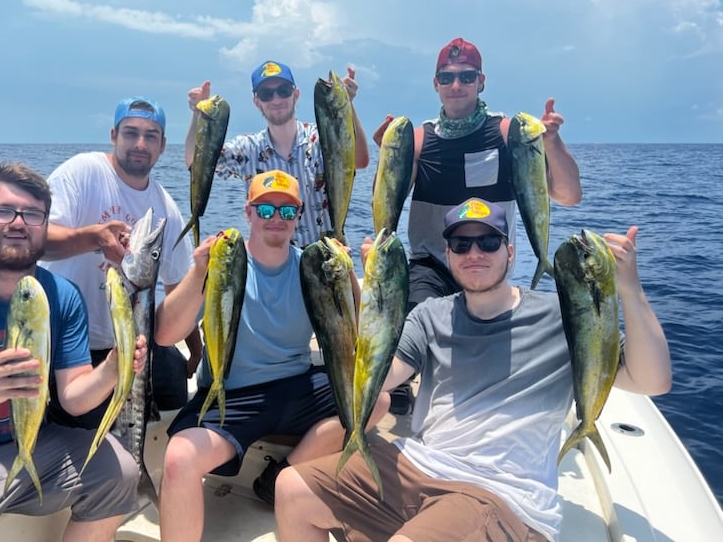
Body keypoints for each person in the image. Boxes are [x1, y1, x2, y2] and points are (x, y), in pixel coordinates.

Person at [274, 197, 672, 542]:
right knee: (291, 488)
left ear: (510, 252)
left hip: (501, 493)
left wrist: (630, 292)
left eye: (488, 241)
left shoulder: (563, 315)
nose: (474, 253)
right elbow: (378, 373)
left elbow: (651, 380)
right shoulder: (430, 315)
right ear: (448, 255)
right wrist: (371, 292)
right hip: (420, 465)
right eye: (461, 244)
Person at [153, 170, 388, 542]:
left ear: (300, 215)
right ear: (248, 212)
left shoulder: (314, 267)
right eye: (264, 209)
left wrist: (356, 279)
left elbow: (362, 336)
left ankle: (279, 475)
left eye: (286, 209)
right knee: (179, 459)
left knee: (378, 401)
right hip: (232, 395)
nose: (275, 217)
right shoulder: (222, 264)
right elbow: (165, 335)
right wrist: (199, 271)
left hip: (298, 387)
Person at [0, 159, 147, 542]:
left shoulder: (62, 296)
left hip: (31, 449)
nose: (18, 222)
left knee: (119, 470)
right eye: (1, 211)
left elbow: (74, 398)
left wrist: (113, 368)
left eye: (32, 214)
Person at [375, 37, 583, 415]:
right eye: (447, 77)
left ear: (481, 81)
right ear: (435, 83)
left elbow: (568, 196)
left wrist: (551, 143)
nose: (456, 85)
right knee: (413, 315)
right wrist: (391, 155)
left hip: (485, 262)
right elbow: (390, 195)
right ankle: (403, 382)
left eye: (466, 77)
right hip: (433, 260)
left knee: (483, 345)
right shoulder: (420, 139)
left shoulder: (507, 133)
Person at [40, 96, 200, 428]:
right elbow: (37, 242)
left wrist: (195, 347)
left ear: (162, 146)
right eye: (131, 133)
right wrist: (95, 238)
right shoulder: (83, 171)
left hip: (131, 346)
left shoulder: (165, 207)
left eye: (150, 135)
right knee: (79, 425)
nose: (140, 144)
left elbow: (176, 289)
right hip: (67, 346)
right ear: (114, 135)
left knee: (174, 390)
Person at [185, 60, 370, 248]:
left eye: (283, 91)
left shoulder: (321, 139)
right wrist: (198, 115)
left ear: (295, 95)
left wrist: (346, 105)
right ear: (257, 102)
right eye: (266, 94)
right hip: (271, 267)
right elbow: (194, 164)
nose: (276, 100)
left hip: (325, 262)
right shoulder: (247, 148)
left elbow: (360, 161)